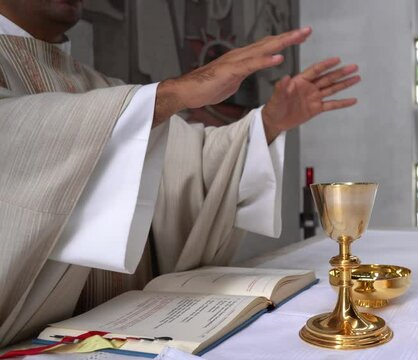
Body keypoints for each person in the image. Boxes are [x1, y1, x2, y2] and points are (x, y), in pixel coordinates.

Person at [0, 0, 361, 347]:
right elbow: (14, 137)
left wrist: (268, 122)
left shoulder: (99, 83)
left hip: (131, 332)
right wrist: (168, 95)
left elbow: (187, 163)